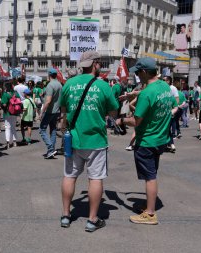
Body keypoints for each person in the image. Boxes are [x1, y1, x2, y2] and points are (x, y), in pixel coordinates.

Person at [60, 51, 118, 232]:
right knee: (95, 179)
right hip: (96, 141)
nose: (100, 65)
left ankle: (66, 215)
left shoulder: (69, 84)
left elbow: (63, 112)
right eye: (99, 62)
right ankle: (92, 219)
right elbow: (114, 113)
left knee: (70, 175)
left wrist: (64, 130)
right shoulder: (103, 86)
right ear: (94, 64)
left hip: (74, 140)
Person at [119, 57, 177, 225]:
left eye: (137, 72)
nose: (136, 75)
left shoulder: (147, 93)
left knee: (150, 177)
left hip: (147, 140)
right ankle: (149, 205)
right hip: (161, 139)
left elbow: (136, 121)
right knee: (152, 174)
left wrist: (121, 120)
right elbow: (173, 106)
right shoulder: (165, 87)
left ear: (144, 72)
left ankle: (150, 214)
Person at [40, 68, 63, 159]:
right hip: (57, 111)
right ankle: (52, 150)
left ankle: (50, 149)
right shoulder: (59, 84)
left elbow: (48, 101)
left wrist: (42, 111)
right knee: (53, 129)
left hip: (50, 111)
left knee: (42, 129)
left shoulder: (50, 85)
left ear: (49, 75)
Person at [1, 82, 19, 149]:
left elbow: (4, 104)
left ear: (6, 87)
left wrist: (1, 104)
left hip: (7, 112)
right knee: (13, 127)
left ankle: (8, 142)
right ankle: (15, 142)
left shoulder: (5, 94)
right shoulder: (15, 93)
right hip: (15, 112)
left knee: (7, 127)